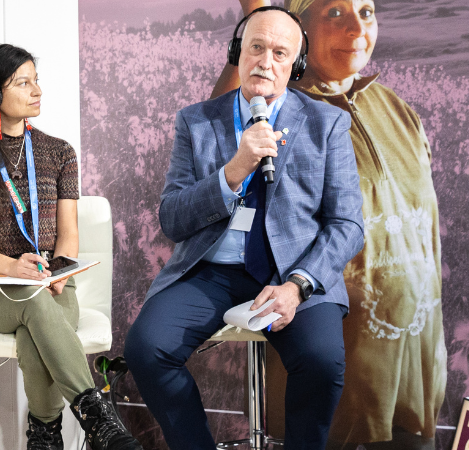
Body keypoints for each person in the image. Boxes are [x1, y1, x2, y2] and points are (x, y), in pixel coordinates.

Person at [124, 7, 365, 450]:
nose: (265, 62)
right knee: (146, 348)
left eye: (279, 53)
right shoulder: (196, 122)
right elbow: (173, 219)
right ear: (238, 52)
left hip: (291, 273)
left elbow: (347, 224)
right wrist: (233, 171)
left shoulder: (327, 124)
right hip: (211, 271)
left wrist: (297, 286)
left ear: (297, 66)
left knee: (322, 361)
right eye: (256, 47)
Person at [212, 1, 446, 449]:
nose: (358, 28)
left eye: (367, 11)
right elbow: (215, 148)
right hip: (338, 361)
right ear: (300, 31)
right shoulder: (277, 112)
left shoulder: (393, 106)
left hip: (413, 366)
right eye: (336, 13)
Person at [0, 44, 143, 450]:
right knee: (33, 308)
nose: (38, 91)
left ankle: (45, 435)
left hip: (50, 286)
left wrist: (60, 271)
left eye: (37, 80)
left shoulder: (59, 152)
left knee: (36, 319)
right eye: (24, 82)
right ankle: (97, 416)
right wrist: (13, 268)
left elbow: (67, 233)